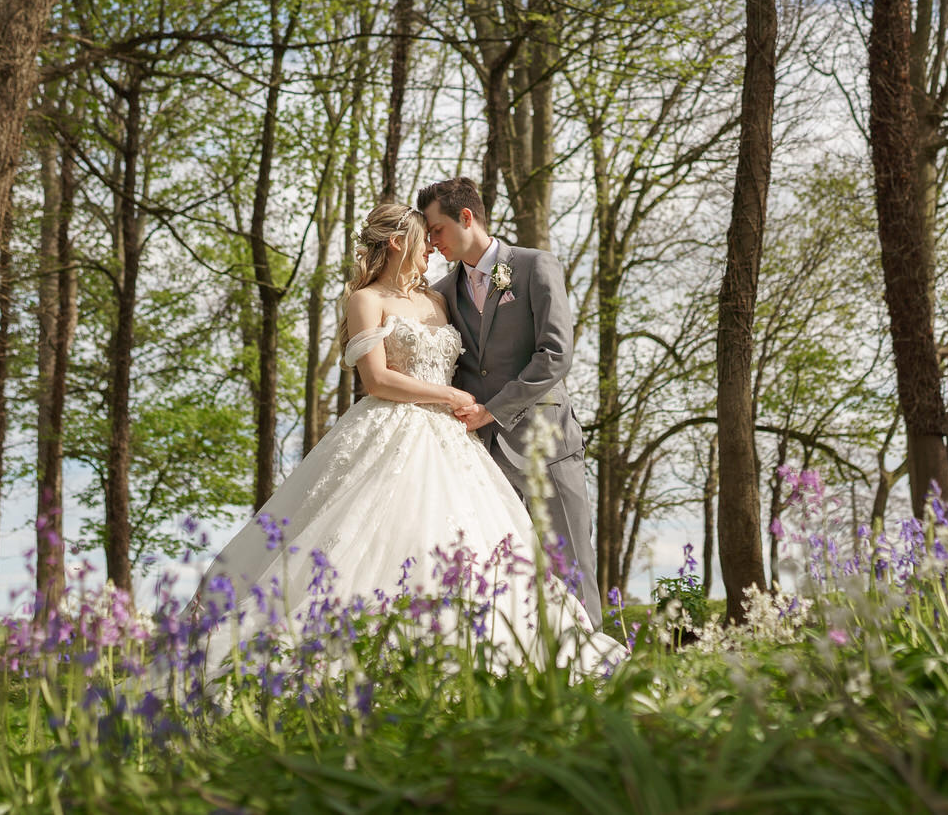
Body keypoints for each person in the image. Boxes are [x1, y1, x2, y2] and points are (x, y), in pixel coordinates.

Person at [175, 202, 620, 689]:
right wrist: (448, 395)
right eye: (424, 237)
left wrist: (479, 407)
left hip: (454, 443)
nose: (432, 245)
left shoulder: (439, 299)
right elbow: (379, 379)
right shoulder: (365, 299)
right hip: (391, 429)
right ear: (396, 242)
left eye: (436, 234)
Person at [418, 177, 602, 627]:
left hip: (547, 446)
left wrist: (493, 409)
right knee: (505, 576)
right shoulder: (442, 291)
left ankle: (598, 678)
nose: (431, 240)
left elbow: (555, 354)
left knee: (570, 566)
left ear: (467, 217)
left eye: (436, 229)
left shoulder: (536, 266)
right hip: (480, 457)